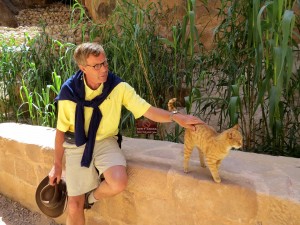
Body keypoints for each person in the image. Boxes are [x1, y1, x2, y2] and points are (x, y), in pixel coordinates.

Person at [48, 42, 204, 225]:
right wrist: (57, 165)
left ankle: (90, 199)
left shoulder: (117, 87)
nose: (104, 69)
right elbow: (60, 131)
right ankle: (80, 200)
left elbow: (146, 110)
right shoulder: (69, 92)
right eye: (97, 66)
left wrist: (175, 117)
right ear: (83, 68)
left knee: (118, 182)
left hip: (105, 140)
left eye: (105, 63)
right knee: (74, 206)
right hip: (77, 142)